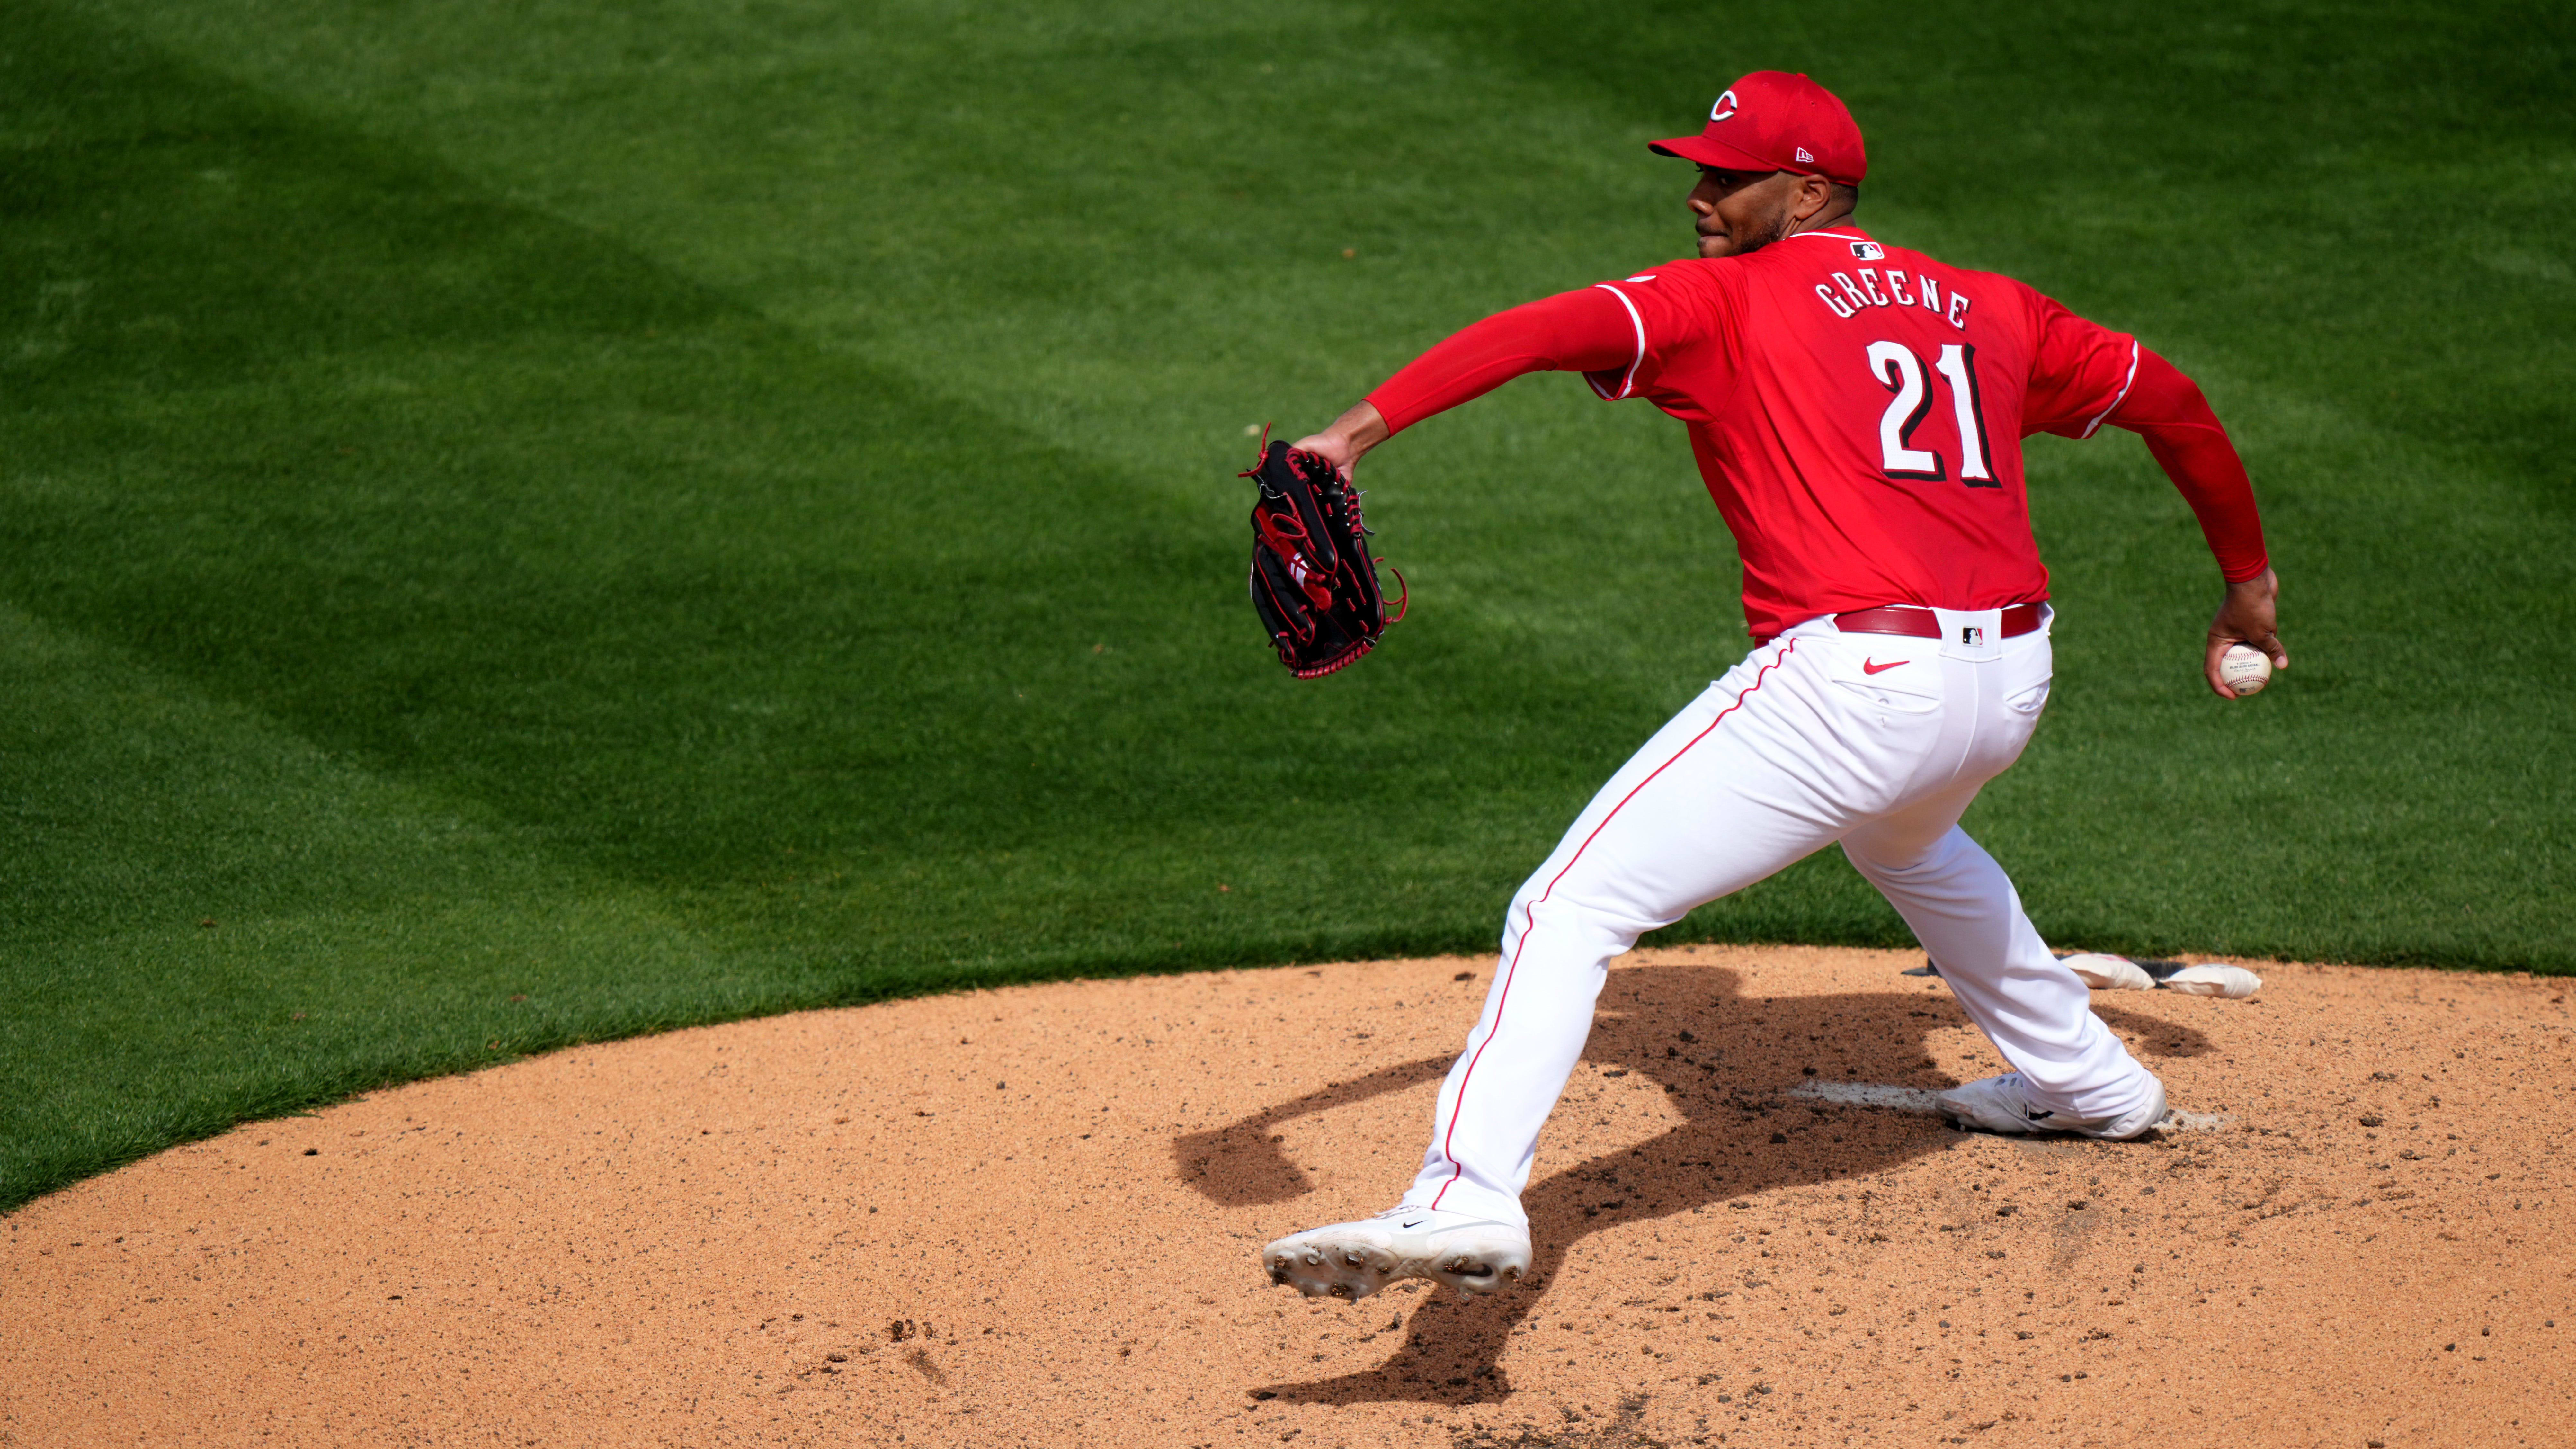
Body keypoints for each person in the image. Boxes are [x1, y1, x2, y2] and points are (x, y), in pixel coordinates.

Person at [1260, 70, 2284, 1302]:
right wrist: (2249, 588)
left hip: (1856, 681)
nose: (1699, 196)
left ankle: (1462, 1196)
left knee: (1565, 910)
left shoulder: (1721, 299)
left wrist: (1351, 436)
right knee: (1912, 849)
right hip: (2009, 677)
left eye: (1726, 176)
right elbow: (2173, 404)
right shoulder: (1989, 305)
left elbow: (1535, 332)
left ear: (1805, 191)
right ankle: (2093, 1086)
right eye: (1697, 171)